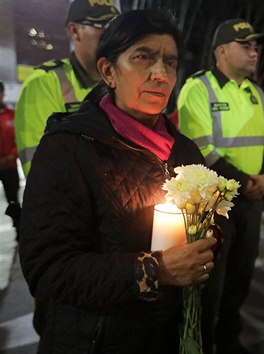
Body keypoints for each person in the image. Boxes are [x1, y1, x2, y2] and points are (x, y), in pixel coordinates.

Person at [18, 10, 217, 353]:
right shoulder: (69, 147)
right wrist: (154, 270)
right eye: (143, 57)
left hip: (170, 334)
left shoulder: (185, 151)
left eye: (170, 62)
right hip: (95, 338)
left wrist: (208, 242)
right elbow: (48, 270)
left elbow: (211, 234)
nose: (160, 74)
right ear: (109, 70)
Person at [177, 18, 264, 354]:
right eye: (245, 45)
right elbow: (201, 148)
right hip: (214, 205)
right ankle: (204, 343)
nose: (254, 52)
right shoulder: (199, 87)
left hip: (251, 200)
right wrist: (246, 181)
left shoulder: (256, 92)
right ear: (221, 51)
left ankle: (229, 340)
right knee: (211, 285)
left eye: (256, 46)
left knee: (240, 278)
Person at [15, 0, 120, 177]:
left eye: (115, 26)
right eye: (101, 25)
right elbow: (40, 170)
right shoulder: (44, 83)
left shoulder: (122, 82)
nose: (111, 34)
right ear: (74, 31)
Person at [0, 81, 20, 232]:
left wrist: (11, 156)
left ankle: (20, 231)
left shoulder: (12, 116)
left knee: (13, 202)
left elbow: (19, 139)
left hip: (9, 166)